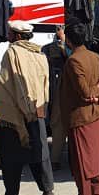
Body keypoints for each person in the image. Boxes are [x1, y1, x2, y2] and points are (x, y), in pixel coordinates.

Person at [0, 20, 55, 195]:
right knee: (39, 152)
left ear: (17, 36)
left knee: (11, 156)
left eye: (10, 33)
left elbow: (12, 83)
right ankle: (47, 190)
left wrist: (23, 109)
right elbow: (45, 84)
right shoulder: (39, 54)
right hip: (37, 110)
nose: (8, 36)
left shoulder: (12, 53)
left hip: (14, 113)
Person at [59, 23, 99, 195]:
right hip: (95, 113)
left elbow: (84, 92)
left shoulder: (73, 61)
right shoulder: (94, 57)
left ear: (69, 41)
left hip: (80, 116)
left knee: (82, 161)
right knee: (95, 157)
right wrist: (98, 94)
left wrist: (92, 94)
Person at [42, 24, 69, 167]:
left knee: (60, 124)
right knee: (58, 124)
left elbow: (72, 59)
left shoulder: (74, 49)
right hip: (58, 90)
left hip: (66, 91)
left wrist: (63, 43)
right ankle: (55, 159)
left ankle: (57, 159)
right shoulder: (48, 49)